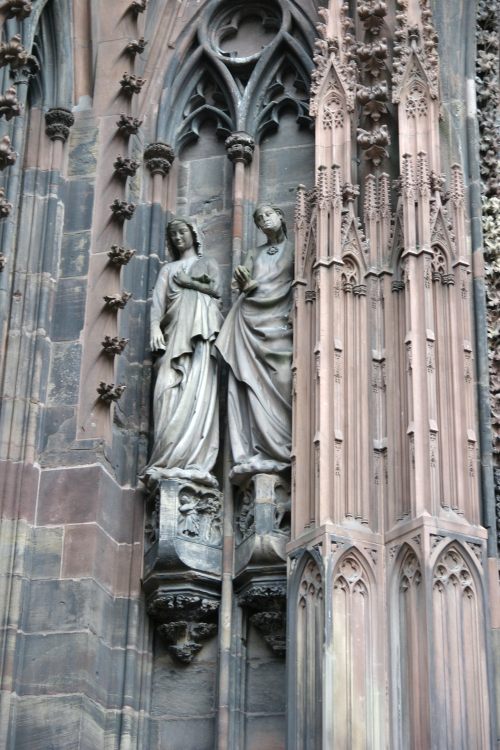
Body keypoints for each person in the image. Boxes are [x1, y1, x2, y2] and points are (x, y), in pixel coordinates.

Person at [215, 204, 293, 482]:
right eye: (259, 219)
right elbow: (245, 281)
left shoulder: (295, 249)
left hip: (280, 323)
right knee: (249, 383)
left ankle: (284, 445)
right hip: (250, 320)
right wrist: (245, 281)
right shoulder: (254, 253)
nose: (264, 220)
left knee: (284, 378)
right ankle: (258, 448)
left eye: (268, 215)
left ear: (281, 217)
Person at [144, 217, 222, 487]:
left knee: (197, 392)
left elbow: (216, 290)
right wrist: (155, 328)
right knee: (167, 389)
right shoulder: (168, 269)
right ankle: (167, 456)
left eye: (182, 232)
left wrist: (190, 283)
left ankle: (193, 460)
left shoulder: (208, 263)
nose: (178, 237)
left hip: (200, 337)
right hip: (174, 334)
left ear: (193, 234)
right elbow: (157, 304)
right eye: (173, 234)